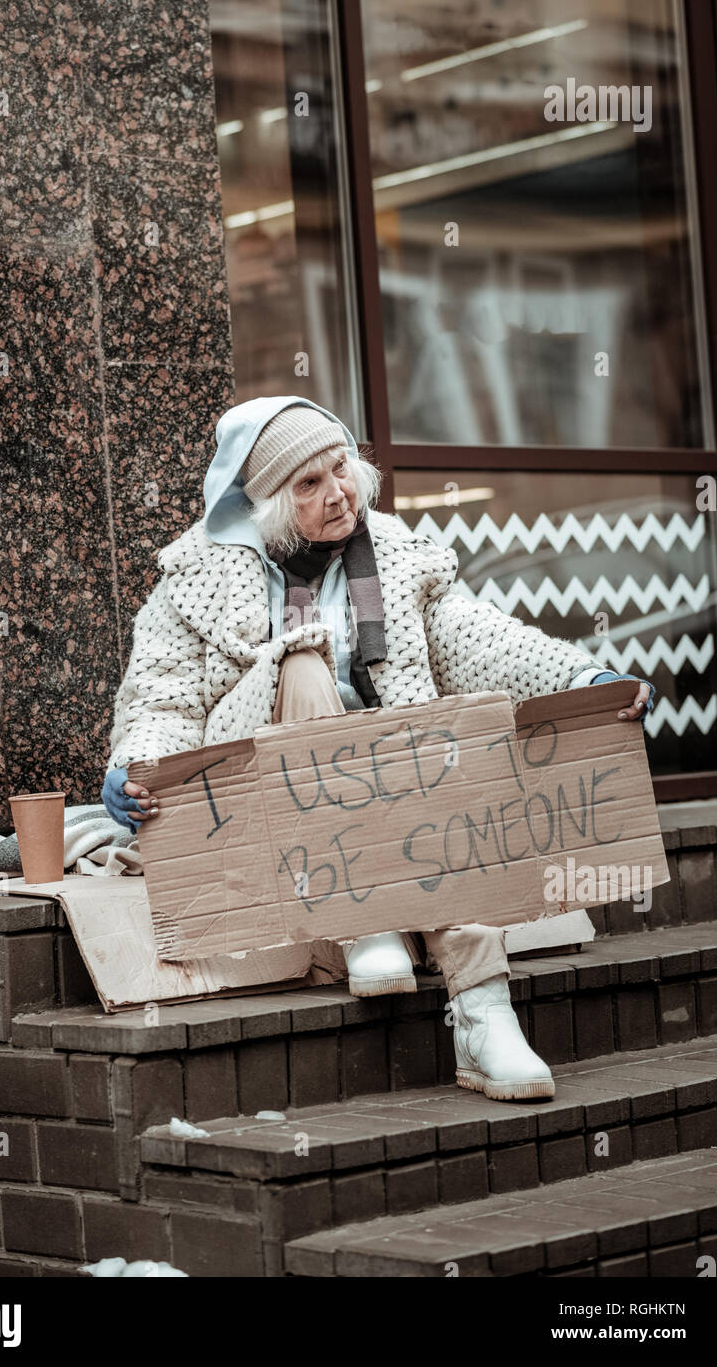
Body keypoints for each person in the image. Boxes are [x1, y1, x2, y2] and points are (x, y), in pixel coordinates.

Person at [102, 396, 653, 1102]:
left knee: (440, 750)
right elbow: (160, 698)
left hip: (393, 779)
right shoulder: (195, 579)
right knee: (299, 661)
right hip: (272, 797)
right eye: (310, 484)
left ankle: (484, 1015)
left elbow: (478, 637)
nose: (339, 493)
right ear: (269, 503)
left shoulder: (396, 553)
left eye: (342, 469)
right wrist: (135, 765)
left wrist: (583, 679)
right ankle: (363, 923)